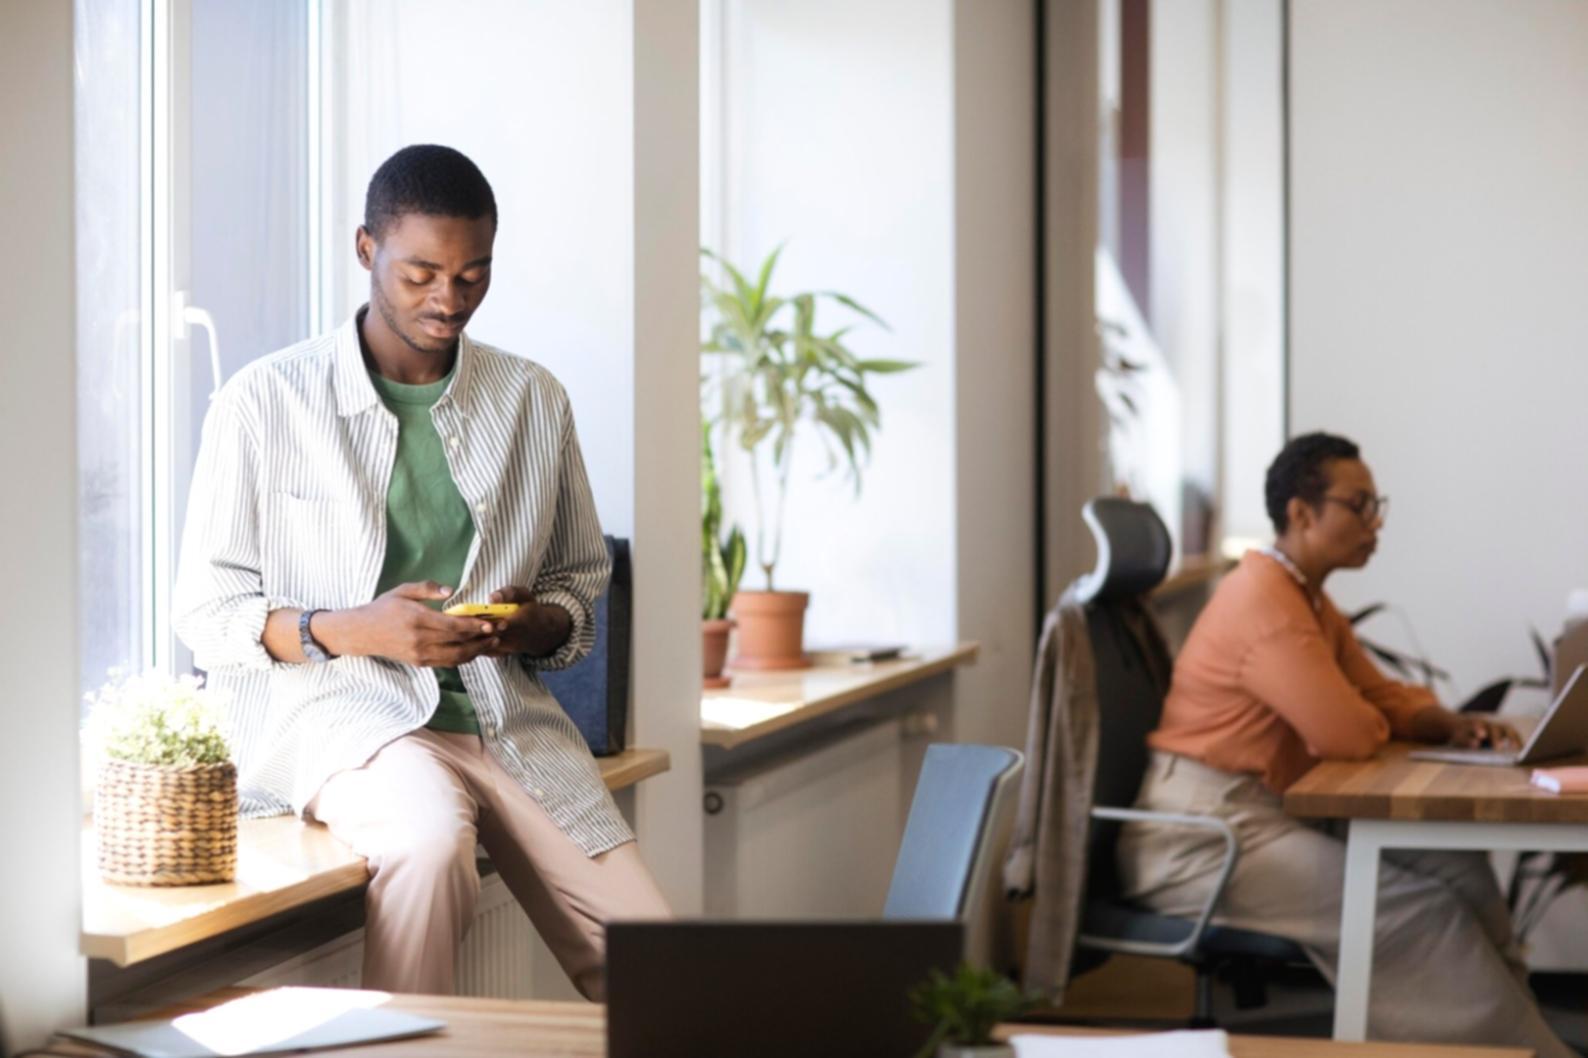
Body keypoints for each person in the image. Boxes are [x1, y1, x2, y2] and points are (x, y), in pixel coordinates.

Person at [173, 144, 669, 998]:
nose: (448, 301)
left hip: (511, 722)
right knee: (431, 844)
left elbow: (579, 582)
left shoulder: (533, 401)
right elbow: (206, 613)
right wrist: (349, 629)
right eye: (421, 275)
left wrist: (532, 623)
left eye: (473, 276)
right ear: (366, 250)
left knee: (665, 966)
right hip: (350, 723)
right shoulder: (264, 402)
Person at [1116, 432, 1573, 1057]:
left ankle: (1515, 1040)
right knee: (1413, 911)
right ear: (1302, 514)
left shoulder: (1301, 595)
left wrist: (1440, 721)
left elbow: (1375, 693)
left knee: (1457, 867)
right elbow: (1347, 733)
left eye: (1376, 504)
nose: (1375, 522)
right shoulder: (1265, 605)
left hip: (1264, 813)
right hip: (1201, 838)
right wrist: (1376, 715)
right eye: (1359, 505)